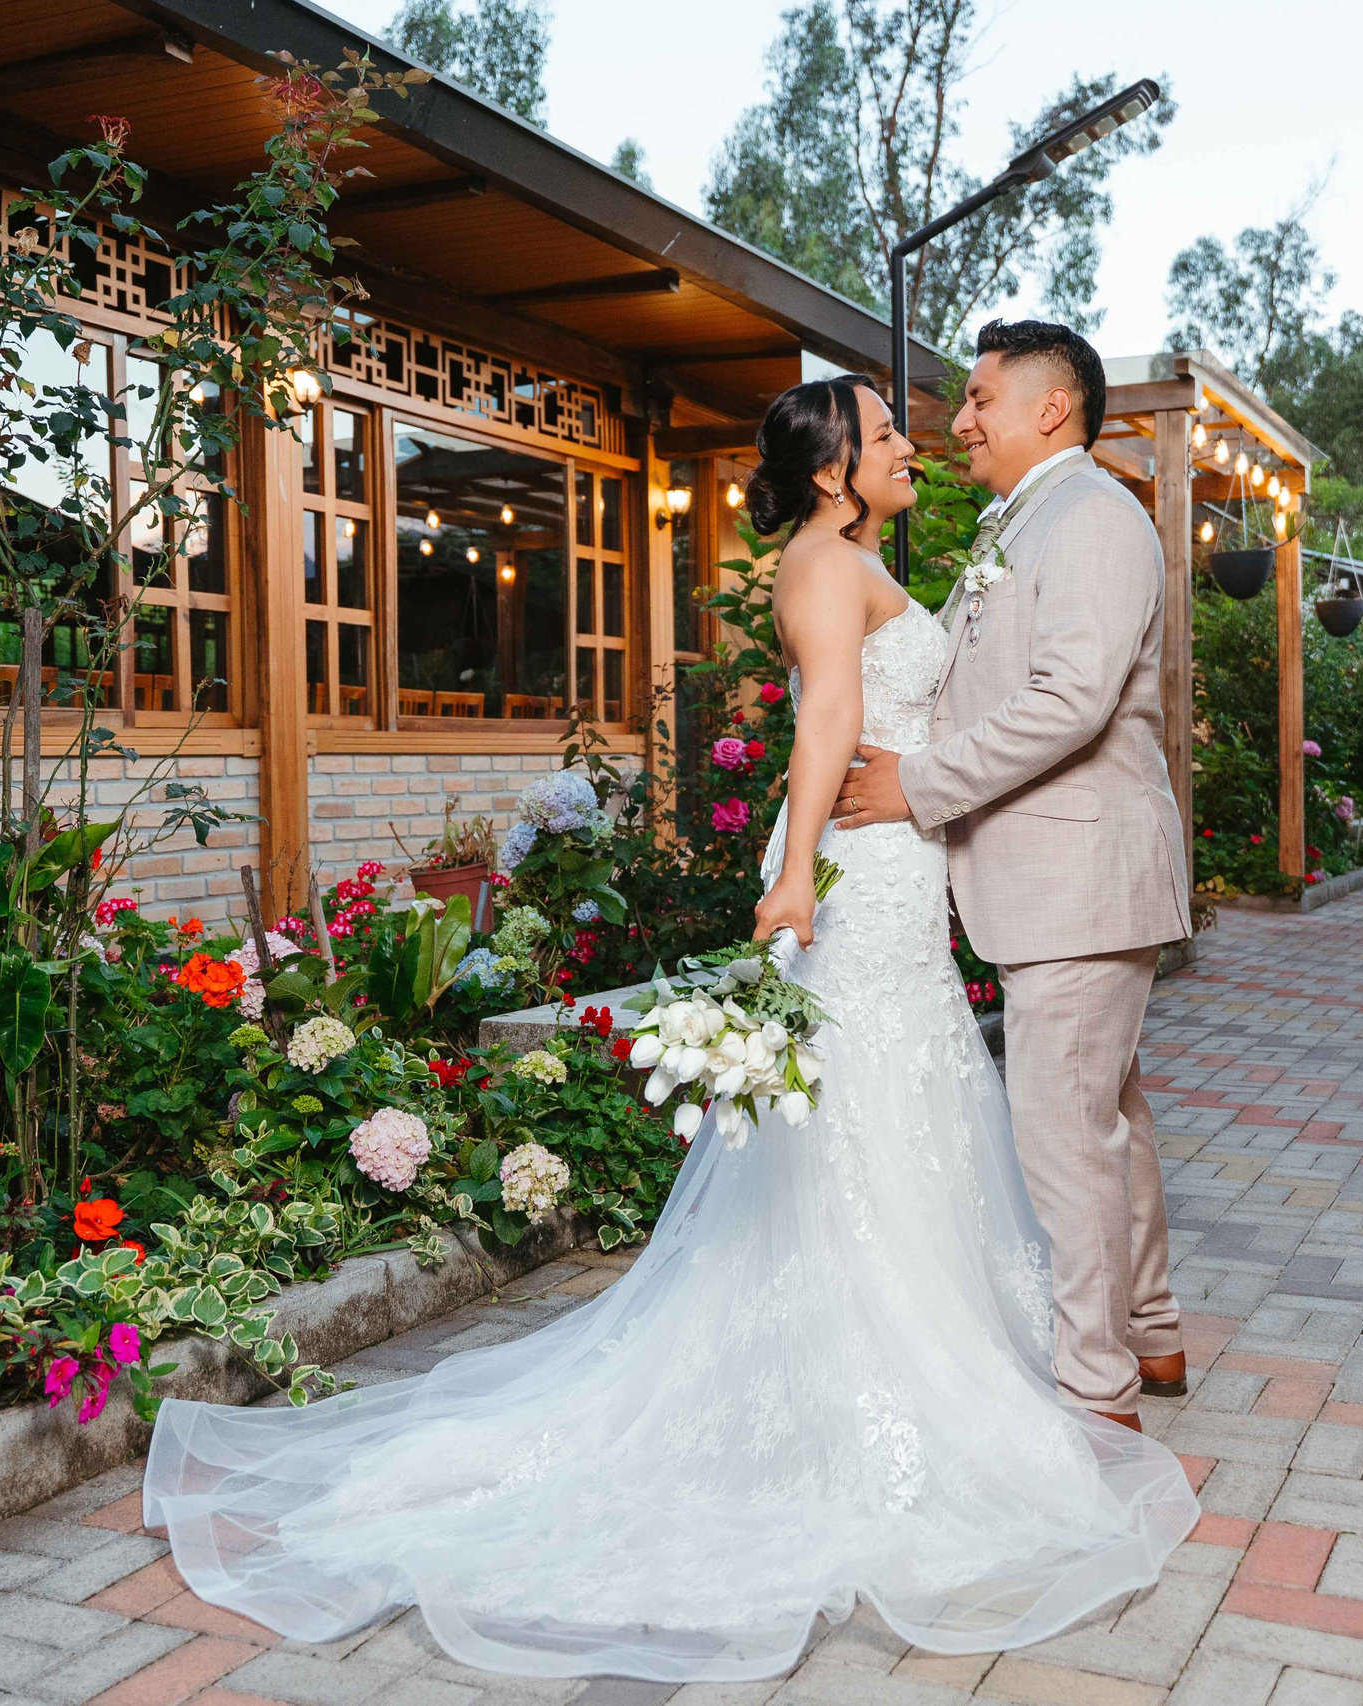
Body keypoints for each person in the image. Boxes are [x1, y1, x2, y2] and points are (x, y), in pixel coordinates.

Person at [140, 372, 1197, 1684]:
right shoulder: (823, 565)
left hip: (905, 863)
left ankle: (945, 1341)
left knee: (904, 1106)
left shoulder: (864, 554)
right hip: (859, 868)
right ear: (832, 470)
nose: (914, 443)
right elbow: (828, 716)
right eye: (883, 434)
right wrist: (796, 870)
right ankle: (882, 1367)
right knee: (869, 1109)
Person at [835, 318, 1192, 1428]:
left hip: (1078, 877)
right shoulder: (1029, 518)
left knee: (1063, 1134)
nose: (960, 421)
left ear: (1052, 407)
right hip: (1058, 877)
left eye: (980, 399)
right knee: (1106, 1115)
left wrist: (917, 782)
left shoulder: (1092, 517)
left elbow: (1069, 701)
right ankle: (1152, 1333)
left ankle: (1097, 1386)